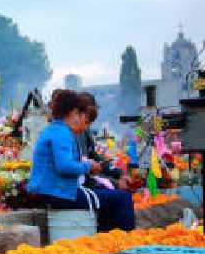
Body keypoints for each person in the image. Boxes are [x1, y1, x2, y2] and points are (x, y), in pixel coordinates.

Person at [27, 89, 135, 232]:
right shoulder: (61, 133)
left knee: (111, 197)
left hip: (57, 192)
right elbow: (64, 166)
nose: (85, 127)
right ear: (74, 113)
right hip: (61, 194)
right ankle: (125, 244)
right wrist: (87, 167)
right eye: (85, 120)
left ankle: (109, 240)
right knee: (123, 198)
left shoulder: (56, 130)